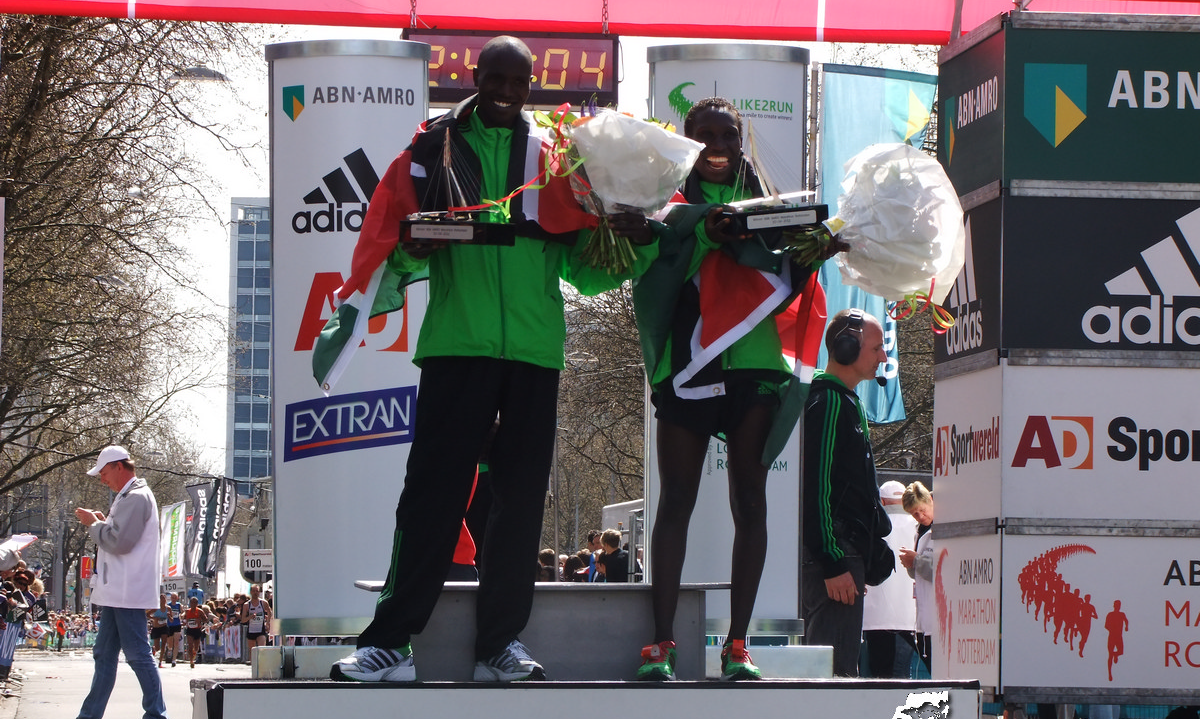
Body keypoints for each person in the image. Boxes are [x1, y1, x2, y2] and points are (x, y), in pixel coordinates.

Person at [329, 35, 655, 684]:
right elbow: (394, 248)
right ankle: (389, 643)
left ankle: (499, 647)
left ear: (532, 86)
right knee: (431, 500)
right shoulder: (433, 150)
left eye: (518, 81)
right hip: (457, 347)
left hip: (535, 354)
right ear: (475, 78)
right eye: (496, 78)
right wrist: (417, 244)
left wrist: (635, 240)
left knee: (520, 506)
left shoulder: (557, 159)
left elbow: (585, 270)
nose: (507, 91)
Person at [634, 98, 834, 682]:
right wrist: (702, 232)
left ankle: (738, 645)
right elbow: (651, 267)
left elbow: (790, 271)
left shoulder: (774, 205)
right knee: (676, 501)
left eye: (728, 135)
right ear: (688, 139)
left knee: (750, 500)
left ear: (741, 142)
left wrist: (819, 247)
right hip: (689, 363)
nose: (717, 146)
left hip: (754, 365)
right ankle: (661, 643)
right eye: (705, 135)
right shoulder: (666, 203)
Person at [54, 446, 170, 719]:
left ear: (120, 466)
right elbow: (121, 537)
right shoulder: (132, 495)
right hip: (120, 590)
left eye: (104, 473)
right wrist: (102, 523)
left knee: (136, 654)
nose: (102, 479)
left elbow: (119, 543)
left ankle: (156, 718)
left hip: (126, 590)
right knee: (106, 654)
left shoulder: (136, 497)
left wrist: (94, 524)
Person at [801, 309, 892, 677]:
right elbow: (814, 486)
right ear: (846, 348)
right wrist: (833, 562)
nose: (883, 357)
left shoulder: (846, 401)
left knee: (838, 672)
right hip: (835, 555)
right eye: (876, 348)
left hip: (845, 555)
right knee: (833, 677)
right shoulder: (828, 401)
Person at [863, 481, 918, 677]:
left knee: (880, 674)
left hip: (876, 615)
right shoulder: (918, 525)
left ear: (883, 501)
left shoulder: (873, 524)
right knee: (902, 672)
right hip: (910, 614)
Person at [899, 481, 935, 675]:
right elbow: (919, 574)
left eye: (922, 510)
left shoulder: (944, 529)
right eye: (914, 514)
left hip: (938, 619)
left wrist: (916, 561)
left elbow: (945, 571)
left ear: (930, 500)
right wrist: (910, 563)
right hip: (924, 618)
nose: (920, 516)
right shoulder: (919, 532)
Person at [241, 583, 273, 655]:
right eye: (254, 591)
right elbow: (243, 620)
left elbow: (270, 612)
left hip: (261, 630)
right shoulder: (247, 605)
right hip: (251, 630)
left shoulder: (263, 603)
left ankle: (262, 662)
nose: (255, 593)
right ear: (251, 592)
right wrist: (250, 617)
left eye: (257, 591)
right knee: (252, 652)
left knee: (262, 650)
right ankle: (253, 662)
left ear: (259, 592)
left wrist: (267, 623)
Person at [183, 595, 210, 668]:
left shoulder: (200, 611)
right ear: (190, 603)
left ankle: (194, 654)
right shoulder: (187, 611)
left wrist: (200, 620)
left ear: (197, 604)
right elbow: (183, 619)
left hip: (197, 630)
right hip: (190, 630)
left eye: (195, 603)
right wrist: (185, 621)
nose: (193, 604)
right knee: (190, 645)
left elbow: (206, 619)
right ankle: (191, 661)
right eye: (192, 602)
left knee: (196, 647)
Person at [148, 594, 171, 667]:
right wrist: (154, 618)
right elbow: (147, 615)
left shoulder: (168, 608)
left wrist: (169, 616)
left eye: (164, 599)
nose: (163, 600)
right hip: (156, 628)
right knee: (157, 647)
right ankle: (155, 653)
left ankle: (160, 662)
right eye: (161, 599)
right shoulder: (155, 608)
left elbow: (171, 619)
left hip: (164, 627)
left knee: (164, 643)